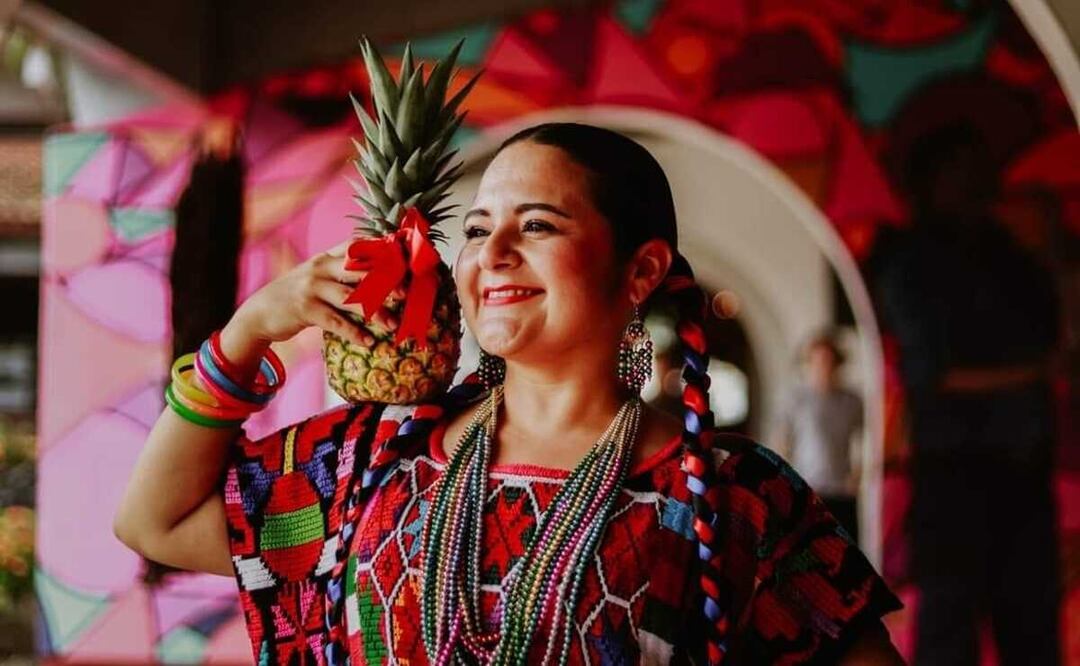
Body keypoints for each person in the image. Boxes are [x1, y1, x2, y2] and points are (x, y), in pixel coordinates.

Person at [114, 123, 904, 664]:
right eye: (478, 227)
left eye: (537, 226)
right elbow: (156, 520)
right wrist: (248, 332)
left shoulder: (734, 498)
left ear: (641, 271)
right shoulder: (376, 455)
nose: (491, 253)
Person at [875, 121, 1061, 666]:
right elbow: (931, 373)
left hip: (1023, 464)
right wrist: (1033, 374)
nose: (981, 181)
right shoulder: (912, 261)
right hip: (954, 470)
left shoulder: (1010, 254)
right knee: (950, 627)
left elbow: (1057, 334)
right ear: (932, 181)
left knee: (1031, 625)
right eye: (963, 169)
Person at [775, 332, 863, 542]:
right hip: (809, 487)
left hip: (841, 489)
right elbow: (782, 441)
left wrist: (858, 474)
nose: (823, 366)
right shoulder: (796, 399)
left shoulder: (852, 401)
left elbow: (863, 442)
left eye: (828, 360)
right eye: (817, 360)